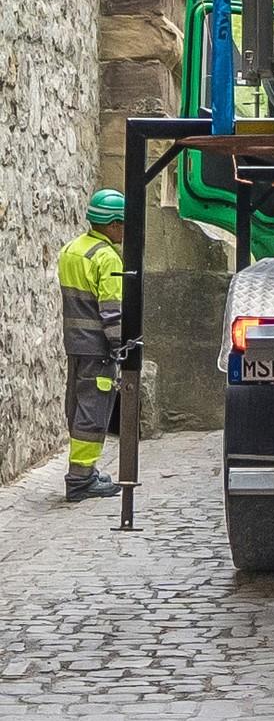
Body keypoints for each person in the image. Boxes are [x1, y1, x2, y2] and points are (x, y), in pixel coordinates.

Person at [57, 189, 125, 502]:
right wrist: (120, 347)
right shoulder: (106, 257)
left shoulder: (71, 250)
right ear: (112, 224)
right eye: (122, 224)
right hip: (98, 348)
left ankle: (85, 472)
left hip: (75, 345)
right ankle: (80, 479)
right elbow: (112, 311)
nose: (124, 230)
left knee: (78, 405)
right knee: (93, 411)